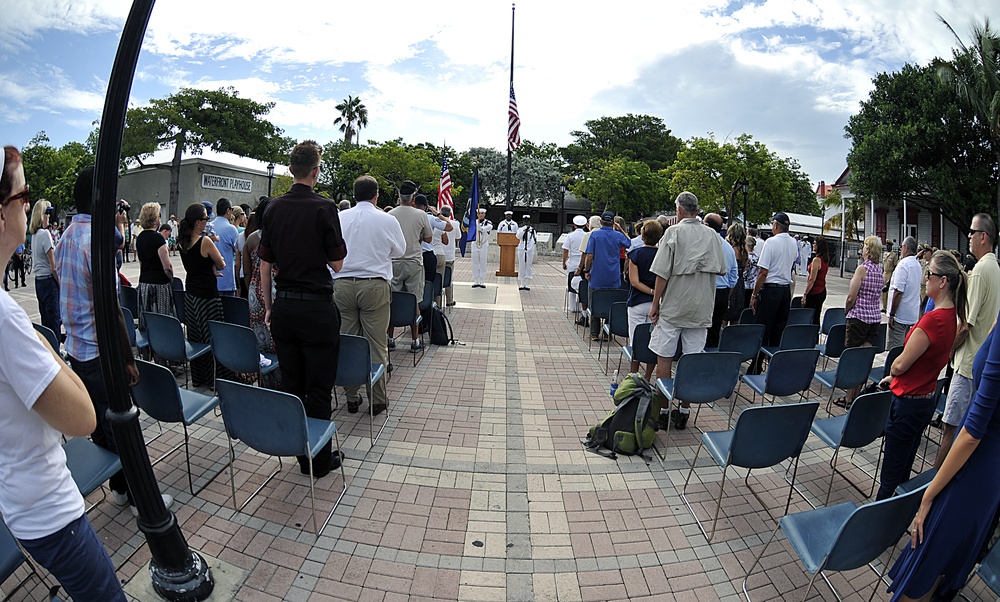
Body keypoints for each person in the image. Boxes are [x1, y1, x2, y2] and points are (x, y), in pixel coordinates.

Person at [0, 144, 127, 602]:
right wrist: (41, 343)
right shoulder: (7, 321)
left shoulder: (68, 236)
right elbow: (81, 419)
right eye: (23, 195)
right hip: (47, 510)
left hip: (16, 498)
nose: (32, 206)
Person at [56, 166, 168, 516]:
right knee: (121, 424)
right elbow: (113, 310)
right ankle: (139, 499)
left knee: (102, 428)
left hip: (77, 349)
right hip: (101, 352)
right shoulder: (97, 241)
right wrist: (129, 357)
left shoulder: (66, 237)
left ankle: (119, 487)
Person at [886, 304, 1000, 601]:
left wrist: (928, 495)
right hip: (990, 474)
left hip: (972, 469)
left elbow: (973, 430)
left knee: (924, 573)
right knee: (940, 573)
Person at [259, 140, 347, 478]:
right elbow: (337, 263)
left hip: (285, 307)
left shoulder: (273, 208)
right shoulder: (324, 208)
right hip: (316, 310)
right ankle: (319, 461)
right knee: (319, 388)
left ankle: (301, 454)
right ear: (315, 171)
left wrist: (269, 307)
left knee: (292, 385)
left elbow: (264, 266)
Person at [875, 250, 964, 504]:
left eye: (930, 274)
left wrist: (894, 372)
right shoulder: (950, 317)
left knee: (890, 477)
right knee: (903, 468)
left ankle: (876, 527)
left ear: (943, 281)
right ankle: (893, 517)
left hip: (909, 403)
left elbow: (901, 364)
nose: (926, 278)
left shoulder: (933, 319)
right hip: (924, 398)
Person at [647, 192, 726, 430]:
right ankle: (684, 410)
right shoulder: (712, 235)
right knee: (692, 360)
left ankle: (662, 410)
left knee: (665, 356)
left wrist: (655, 304)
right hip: (701, 307)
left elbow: (662, 273)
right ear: (697, 211)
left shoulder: (673, 233)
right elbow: (721, 270)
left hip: (674, 306)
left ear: (679, 210)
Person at [333, 176, 405, 415]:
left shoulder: (340, 217)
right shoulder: (387, 219)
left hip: (342, 284)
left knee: (348, 341)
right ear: (376, 195)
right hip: (374, 284)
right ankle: (377, 398)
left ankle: (351, 396)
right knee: (376, 343)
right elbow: (400, 250)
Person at [935, 214, 1000, 470]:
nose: (969, 237)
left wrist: (946, 351)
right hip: (982, 363)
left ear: (983, 237)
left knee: (950, 431)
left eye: (971, 232)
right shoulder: (995, 268)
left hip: (967, 364)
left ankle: (933, 490)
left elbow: (965, 324)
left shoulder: (982, 270)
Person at [177, 203, 226, 387]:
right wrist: (213, 266)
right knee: (212, 336)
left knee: (196, 336)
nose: (207, 222)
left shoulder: (183, 240)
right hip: (207, 295)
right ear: (198, 222)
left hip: (191, 293)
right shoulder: (205, 241)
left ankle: (200, 377)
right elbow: (221, 264)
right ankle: (215, 378)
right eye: (205, 219)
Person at [749, 212, 799, 373]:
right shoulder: (793, 243)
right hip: (785, 290)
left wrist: (754, 294)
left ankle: (756, 364)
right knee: (778, 330)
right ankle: (773, 366)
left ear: (776, 225)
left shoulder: (771, 242)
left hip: (771, 289)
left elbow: (763, 272)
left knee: (763, 328)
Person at [839, 235, 884, 407]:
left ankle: (849, 397)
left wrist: (846, 310)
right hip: (874, 318)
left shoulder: (862, 269)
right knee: (864, 358)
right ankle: (856, 395)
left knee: (852, 358)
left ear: (868, 249)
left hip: (858, 318)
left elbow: (852, 296)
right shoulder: (878, 270)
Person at [388, 182, 433, 352]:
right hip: (414, 261)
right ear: (414, 197)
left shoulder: (390, 214)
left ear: (399, 196)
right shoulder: (421, 215)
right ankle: (415, 340)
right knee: (414, 301)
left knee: (392, 300)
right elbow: (428, 239)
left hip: (394, 261)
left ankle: (390, 338)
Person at [582, 211, 630, 340]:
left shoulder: (595, 235)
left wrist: (587, 270)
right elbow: (630, 243)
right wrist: (620, 229)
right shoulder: (617, 236)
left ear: (601, 222)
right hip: (613, 276)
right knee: (611, 302)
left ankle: (594, 332)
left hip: (597, 275)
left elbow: (589, 255)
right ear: (613, 222)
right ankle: (607, 332)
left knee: (594, 302)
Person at [625, 218, 663, 380]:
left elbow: (634, 281)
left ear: (642, 236)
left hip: (637, 301)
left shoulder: (636, 254)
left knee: (636, 339)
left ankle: (633, 375)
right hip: (657, 303)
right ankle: (647, 376)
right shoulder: (663, 255)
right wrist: (656, 293)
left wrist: (650, 291)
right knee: (653, 341)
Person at [242, 199, 277, 358]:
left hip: (255, 290)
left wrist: (250, 288)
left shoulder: (251, 238)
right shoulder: (279, 237)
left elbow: (246, 271)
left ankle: (262, 367)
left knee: (258, 331)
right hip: (274, 288)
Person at [134, 201, 175, 331]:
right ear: (155, 220)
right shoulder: (158, 239)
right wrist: (171, 278)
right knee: (160, 320)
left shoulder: (140, 237)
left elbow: (141, 262)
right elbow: (167, 266)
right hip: (159, 286)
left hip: (144, 283)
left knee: (147, 322)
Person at [704, 213, 737, 347]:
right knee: (715, 330)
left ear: (706, 225)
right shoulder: (728, 247)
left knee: (698, 331)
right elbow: (733, 276)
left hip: (705, 291)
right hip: (722, 293)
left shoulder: (703, 243)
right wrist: (727, 295)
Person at [29, 199, 61, 337]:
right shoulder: (45, 234)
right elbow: (53, 267)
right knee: (54, 319)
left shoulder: (34, 235)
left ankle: (50, 347)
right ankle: (56, 351)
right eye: (47, 213)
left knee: (45, 319)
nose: (49, 216)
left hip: (38, 281)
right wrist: (60, 283)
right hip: (49, 281)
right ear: (42, 215)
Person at [887, 236, 922, 351]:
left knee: (895, 350)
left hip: (900, 316)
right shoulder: (917, 264)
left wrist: (892, 314)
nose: (901, 249)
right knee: (906, 349)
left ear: (906, 248)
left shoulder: (903, 265)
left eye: (902, 247)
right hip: (912, 314)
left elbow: (898, 292)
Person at [212, 198, 239, 296]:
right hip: (226, 280)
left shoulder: (209, 226)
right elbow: (237, 251)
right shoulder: (231, 229)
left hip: (211, 280)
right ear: (228, 210)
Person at [724, 223, 748, 325]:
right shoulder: (744, 251)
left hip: (729, 283)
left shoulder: (728, 249)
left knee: (723, 318)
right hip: (740, 285)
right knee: (736, 318)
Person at [802, 237, 830, 327]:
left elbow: (812, 279)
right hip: (822, 289)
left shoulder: (816, 260)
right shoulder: (825, 260)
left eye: (815, 243)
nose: (813, 245)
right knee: (817, 315)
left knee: (810, 316)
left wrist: (805, 293)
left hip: (815, 291)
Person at [563, 215, 587, 313]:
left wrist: (564, 262)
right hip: (584, 262)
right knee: (582, 285)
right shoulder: (587, 235)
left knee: (571, 283)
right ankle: (582, 307)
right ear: (585, 225)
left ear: (574, 225)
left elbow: (566, 250)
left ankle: (572, 307)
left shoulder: (570, 235)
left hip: (572, 262)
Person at [441, 205, 459, 307]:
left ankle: (436, 300)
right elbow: (458, 237)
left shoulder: (437, 222)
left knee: (438, 278)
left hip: (438, 254)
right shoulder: (455, 224)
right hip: (449, 256)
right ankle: (449, 300)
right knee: (448, 278)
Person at [470, 207, 492, 288]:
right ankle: (476, 280)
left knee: (483, 262)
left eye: (482, 213)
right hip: (475, 244)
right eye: (479, 213)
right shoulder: (473, 222)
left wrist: (480, 227)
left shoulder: (488, 222)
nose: (481, 215)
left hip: (483, 244)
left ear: (485, 214)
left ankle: (482, 281)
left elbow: (487, 228)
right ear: (477, 214)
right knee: (475, 262)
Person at [516, 214, 536, 291]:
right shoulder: (520, 229)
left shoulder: (532, 230)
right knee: (522, 266)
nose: (526, 222)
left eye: (527, 221)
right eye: (525, 221)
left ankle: (527, 283)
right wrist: (524, 229)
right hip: (521, 249)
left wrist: (530, 248)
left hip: (529, 250)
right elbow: (518, 236)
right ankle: (522, 283)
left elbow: (534, 240)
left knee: (528, 266)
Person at [743, 237, 759, 310]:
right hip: (754, 285)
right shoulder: (757, 257)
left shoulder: (746, 257)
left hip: (745, 285)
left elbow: (745, 273)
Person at [882, 240, 898, 313]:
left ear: (891, 246)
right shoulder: (885, 254)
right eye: (886, 245)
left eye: (889, 245)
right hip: (884, 273)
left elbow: (895, 266)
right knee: (883, 291)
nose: (887, 247)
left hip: (890, 273)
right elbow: (883, 264)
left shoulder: (893, 255)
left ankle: (888, 307)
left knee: (888, 292)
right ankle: (884, 307)